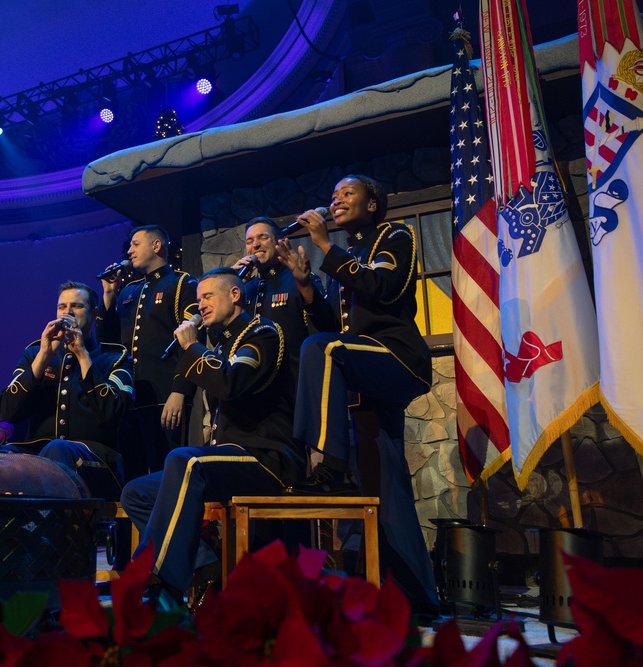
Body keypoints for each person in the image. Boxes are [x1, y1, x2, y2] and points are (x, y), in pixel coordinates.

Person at [286, 174, 438, 613]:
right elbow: (336, 323)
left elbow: (381, 288)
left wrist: (324, 247)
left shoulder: (395, 235)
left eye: (347, 193)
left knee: (320, 347)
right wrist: (306, 285)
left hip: (398, 359)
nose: (336, 200)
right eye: (332, 195)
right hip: (365, 376)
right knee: (385, 486)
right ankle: (417, 597)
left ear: (372, 204)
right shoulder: (347, 255)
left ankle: (324, 462)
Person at [120, 269, 305, 604]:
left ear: (235, 295)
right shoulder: (222, 343)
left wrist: (191, 347)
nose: (199, 305)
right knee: (136, 492)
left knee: (184, 459)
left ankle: (159, 584)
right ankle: (205, 563)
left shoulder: (261, 332)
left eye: (207, 296)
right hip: (231, 457)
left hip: (265, 456)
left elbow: (231, 385)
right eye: (198, 298)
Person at [0, 280, 133, 501]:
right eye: (62, 307)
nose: (67, 312)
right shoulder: (35, 353)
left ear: (94, 313)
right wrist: (44, 356)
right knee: (0, 458)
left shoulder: (116, 357)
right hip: (40, 456)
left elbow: (112, 413)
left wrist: (82, 354)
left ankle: (50, 533)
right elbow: (8, 411)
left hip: (96, 460)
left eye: (77, 306)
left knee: (57, 449)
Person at [99, 225, 198, 481]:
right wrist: (109, 294)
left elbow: (190, 342)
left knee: (167, 475)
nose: (129, 251)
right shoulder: (128, 291)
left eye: (135, 244)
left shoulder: (181, 283)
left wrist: (180, 391)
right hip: (130, 401)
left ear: (156, 246)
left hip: (165, 400)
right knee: (131, 476)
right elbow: (107, 342)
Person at [232, 216, 322, 383]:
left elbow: (320, 331)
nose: (255, 245)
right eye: (249, 241)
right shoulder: (245, 288)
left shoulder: (299, 280)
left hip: (295, 386)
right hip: (254, 390)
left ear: (279, 242)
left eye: (263, 237)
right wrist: (231, 286)